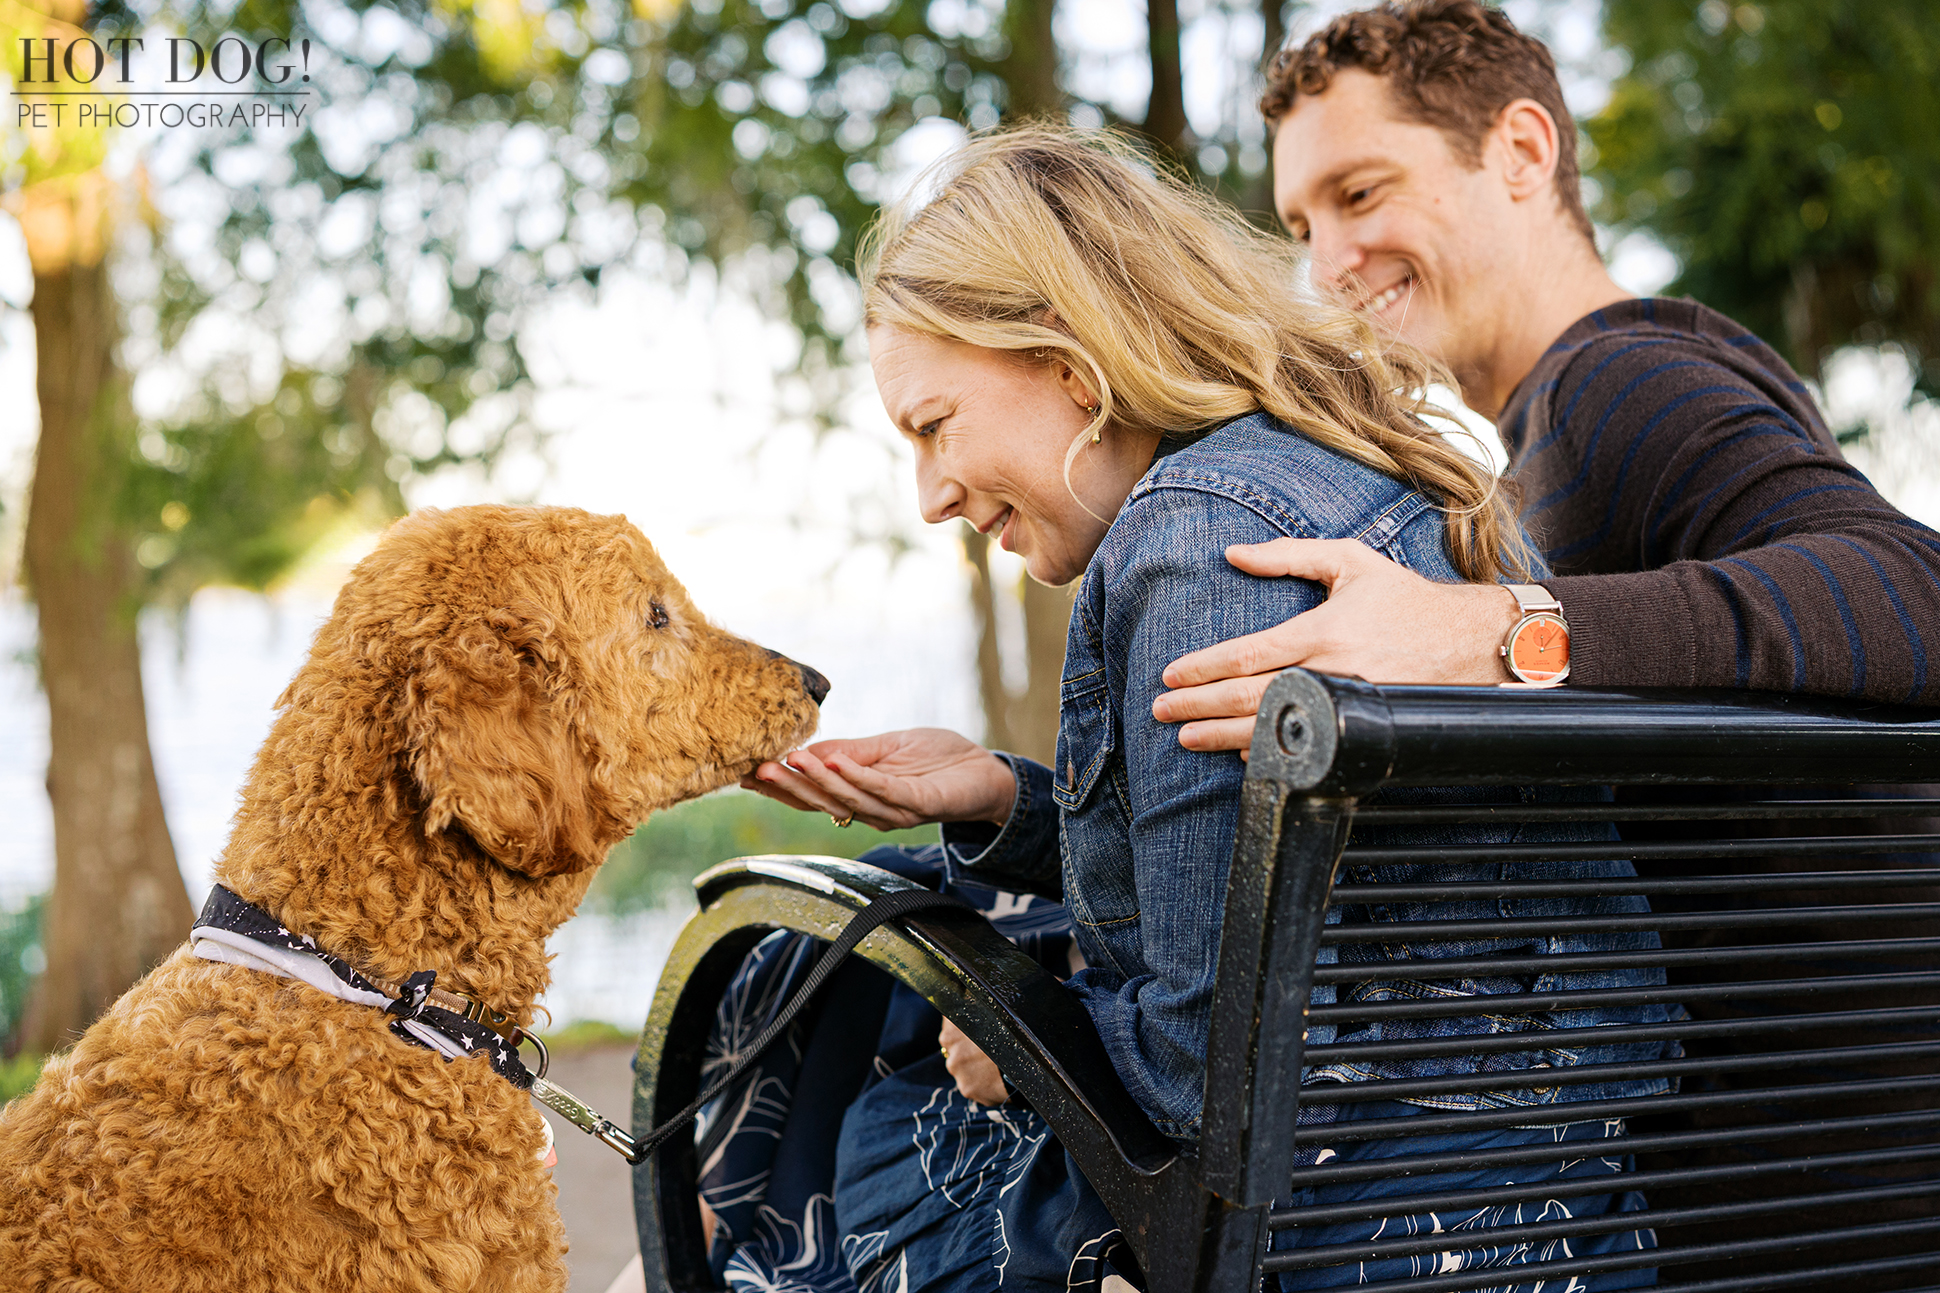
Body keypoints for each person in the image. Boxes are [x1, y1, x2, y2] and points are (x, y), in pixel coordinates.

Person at [704, 126, 1671, 1292]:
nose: (929, 496)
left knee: (821, 1125)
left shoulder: (1196, 543)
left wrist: (1024, 1048)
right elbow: (1286, 885)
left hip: (1368, 1228)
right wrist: (999, 797)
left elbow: (1209, 1071)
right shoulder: (1333, 473)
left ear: (1066, 359)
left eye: (933, 426)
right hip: (1538, 1198)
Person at [1151, 0, 1940, 755]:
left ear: (1522, 152)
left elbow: (1919, 595)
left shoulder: (1621, 381)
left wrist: (1489, 631)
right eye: (1303, 230)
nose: (1325, 270)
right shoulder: (1557, 423)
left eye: (1359, 193)